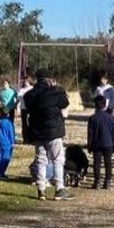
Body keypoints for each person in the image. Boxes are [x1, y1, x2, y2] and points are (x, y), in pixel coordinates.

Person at [23, 68, 73, 201]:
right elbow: (65, 102)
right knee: (58, 159)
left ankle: (41, 190)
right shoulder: (55, 93)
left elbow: (26, 107)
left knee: (41, 160)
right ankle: (59, 189)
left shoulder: (29, 95)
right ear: (49, 79)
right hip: (53, 132)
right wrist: (57, 88)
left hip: (37, 132)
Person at [87, 95, 114, 189]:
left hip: (97, 144)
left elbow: (90, 134)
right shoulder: (110, 117)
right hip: (108, 143)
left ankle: (97, 182)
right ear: (105, 105)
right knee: (108, 163)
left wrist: (89, 145)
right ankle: (108, 181)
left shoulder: (92, 118)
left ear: (95, 105)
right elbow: (113, 132)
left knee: (97, 163)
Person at [0, 106, 16, 179]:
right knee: (6, 158)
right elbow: (11, 133)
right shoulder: (9, 123)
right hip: (7, 144)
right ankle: (2, 172)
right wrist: (12, 142)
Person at [16, 77, 34, 142]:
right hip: (23, 108)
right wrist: (16, 107)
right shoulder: (22, 89)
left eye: (27, 81)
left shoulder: (32, 88)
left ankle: (31, 138)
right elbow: (18, 98)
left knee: (31, 123)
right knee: (24, 124)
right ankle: (25, 139)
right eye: (24, 81)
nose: (25, 82)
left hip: (31, 108)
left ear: (29, 81)